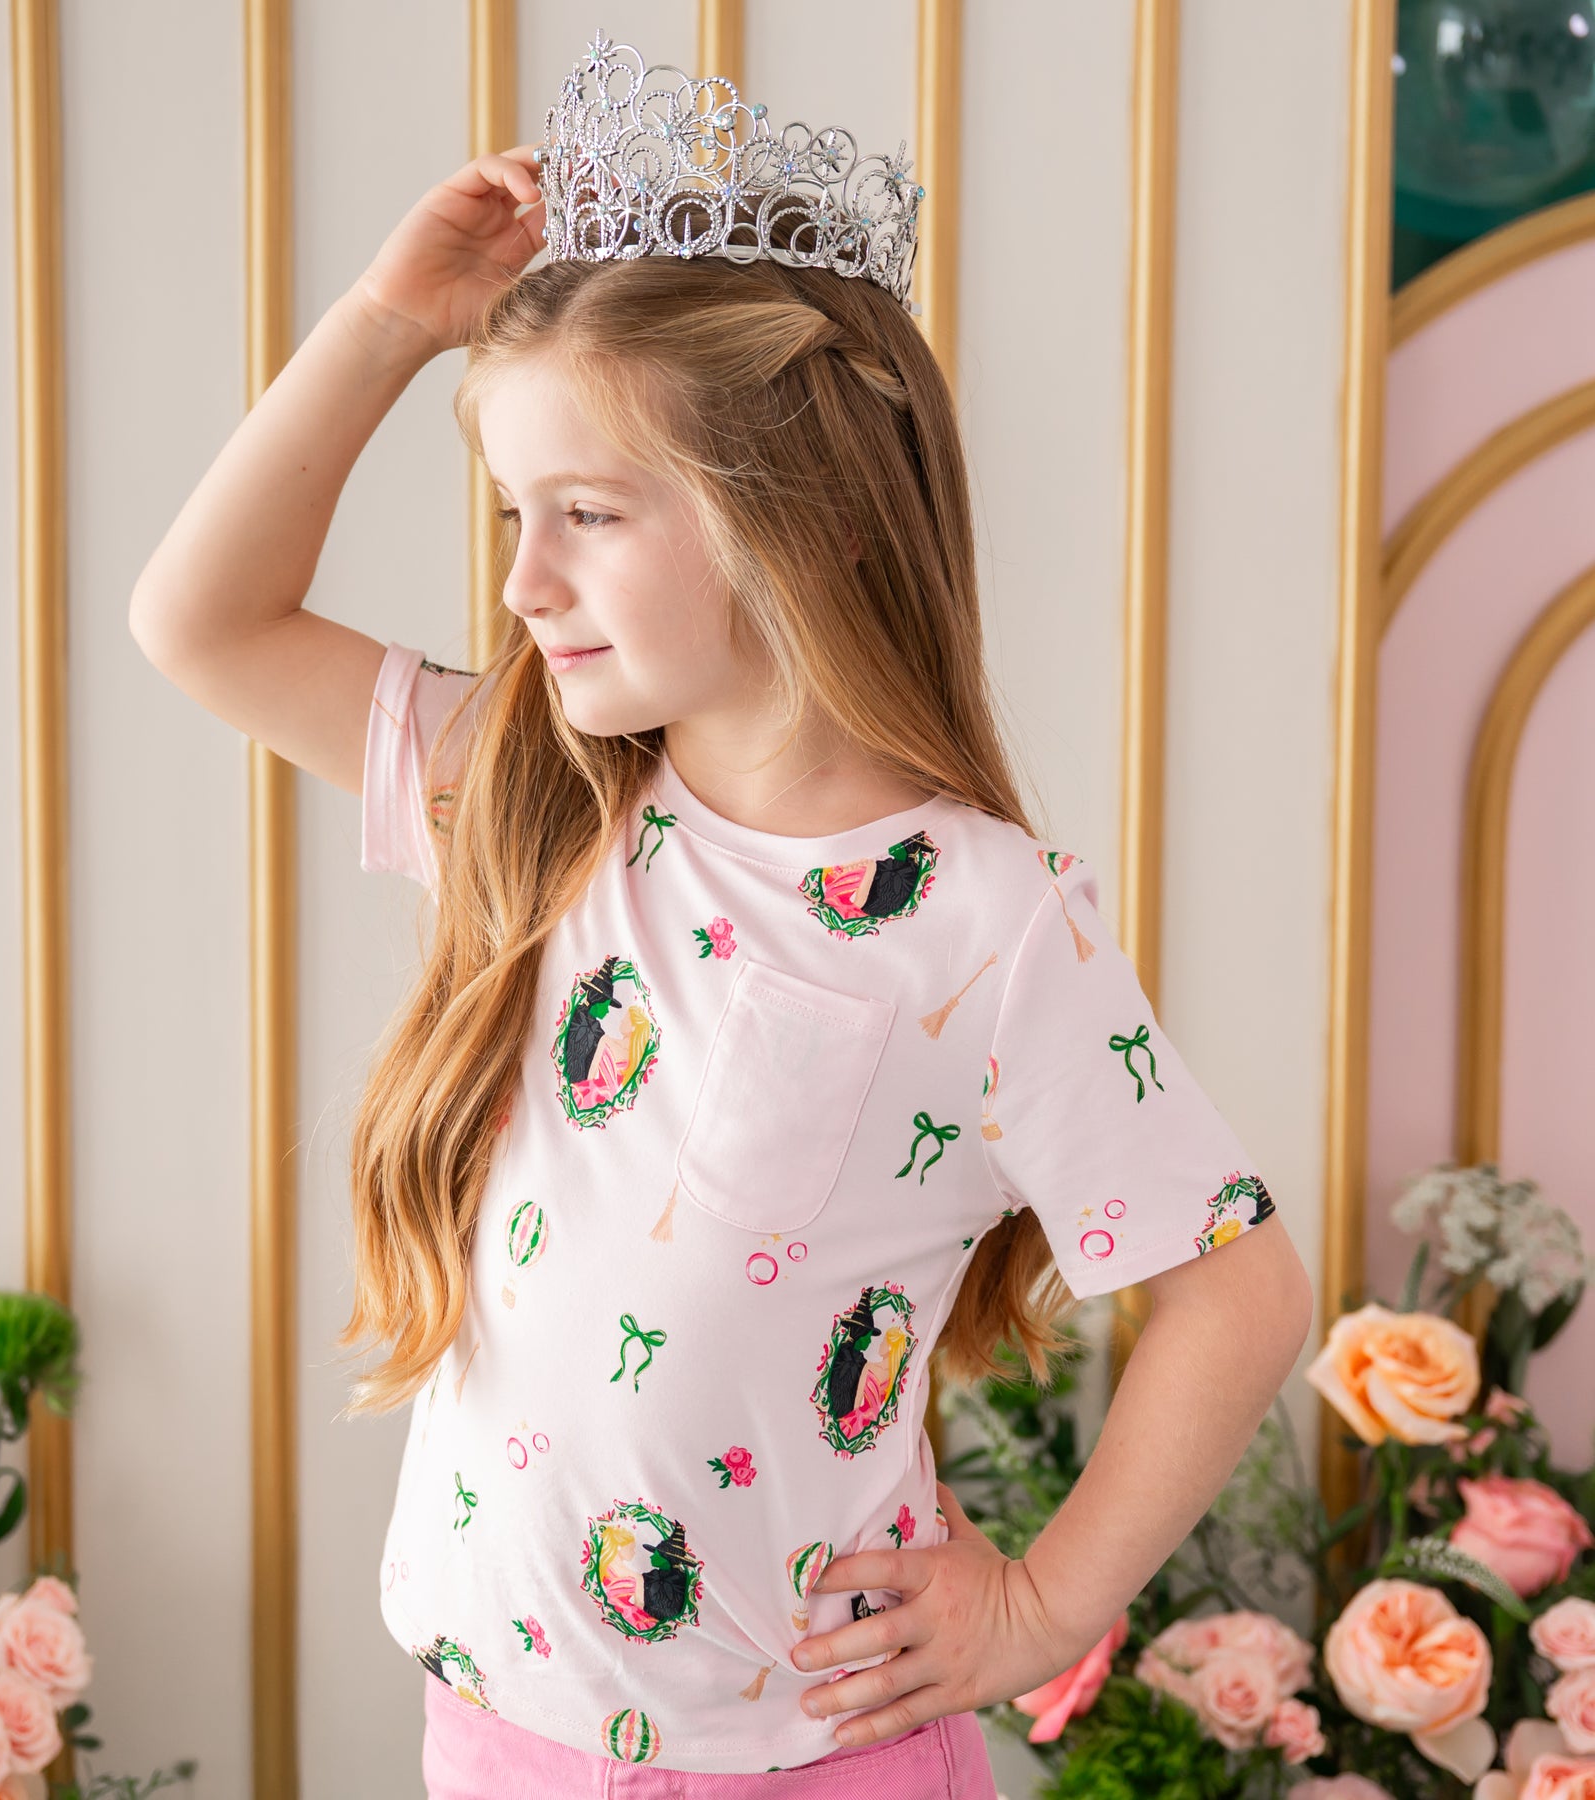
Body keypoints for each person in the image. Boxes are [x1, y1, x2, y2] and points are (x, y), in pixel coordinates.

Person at [129, 31, 1313, 1797]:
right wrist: (390, 317)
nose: (524, 581)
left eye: (589, 515)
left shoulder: (982, 925)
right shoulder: (545, 797)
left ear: (806, 524)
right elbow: (199, 620)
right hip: (496, 1735)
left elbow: (1242, 1293)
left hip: (797, 1761)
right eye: (514, 514)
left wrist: (1046, 1605)